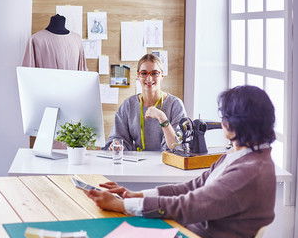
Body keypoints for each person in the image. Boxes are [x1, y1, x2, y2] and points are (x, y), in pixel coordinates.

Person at [87, 85, 277, 238]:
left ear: (238, 122)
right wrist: (136, 195)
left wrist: (121, 205)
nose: (221, 121)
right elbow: (191, 187)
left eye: (224, 115)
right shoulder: (238, 156)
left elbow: (188, 206)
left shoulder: (250, 172)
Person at [103, 54, 187, 151]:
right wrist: (117, 145)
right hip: (137, 162)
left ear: (162, 75)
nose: (149, 78)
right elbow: (117, 137)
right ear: (138, 76)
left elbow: (176, 146)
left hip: (167, 163)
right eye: (144, 73)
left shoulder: (175, 104)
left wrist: (162, 118)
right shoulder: (128, 105)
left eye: (154, 73)